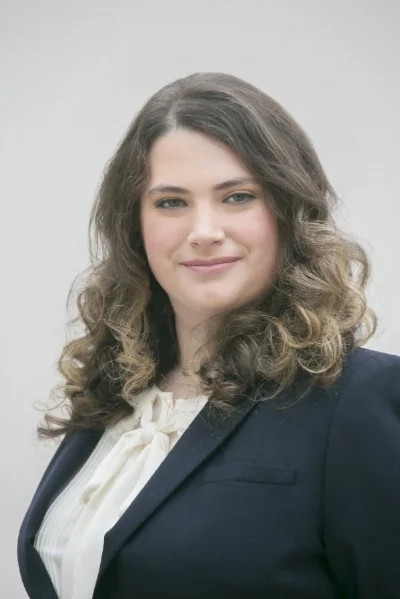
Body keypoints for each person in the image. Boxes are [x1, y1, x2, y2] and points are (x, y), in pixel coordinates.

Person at [18, 72, 400, 599]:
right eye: (171, 202)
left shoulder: (359, 398)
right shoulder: (115, 397)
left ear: (289, 213)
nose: (204, 232)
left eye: (238, 197)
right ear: (134, 225)